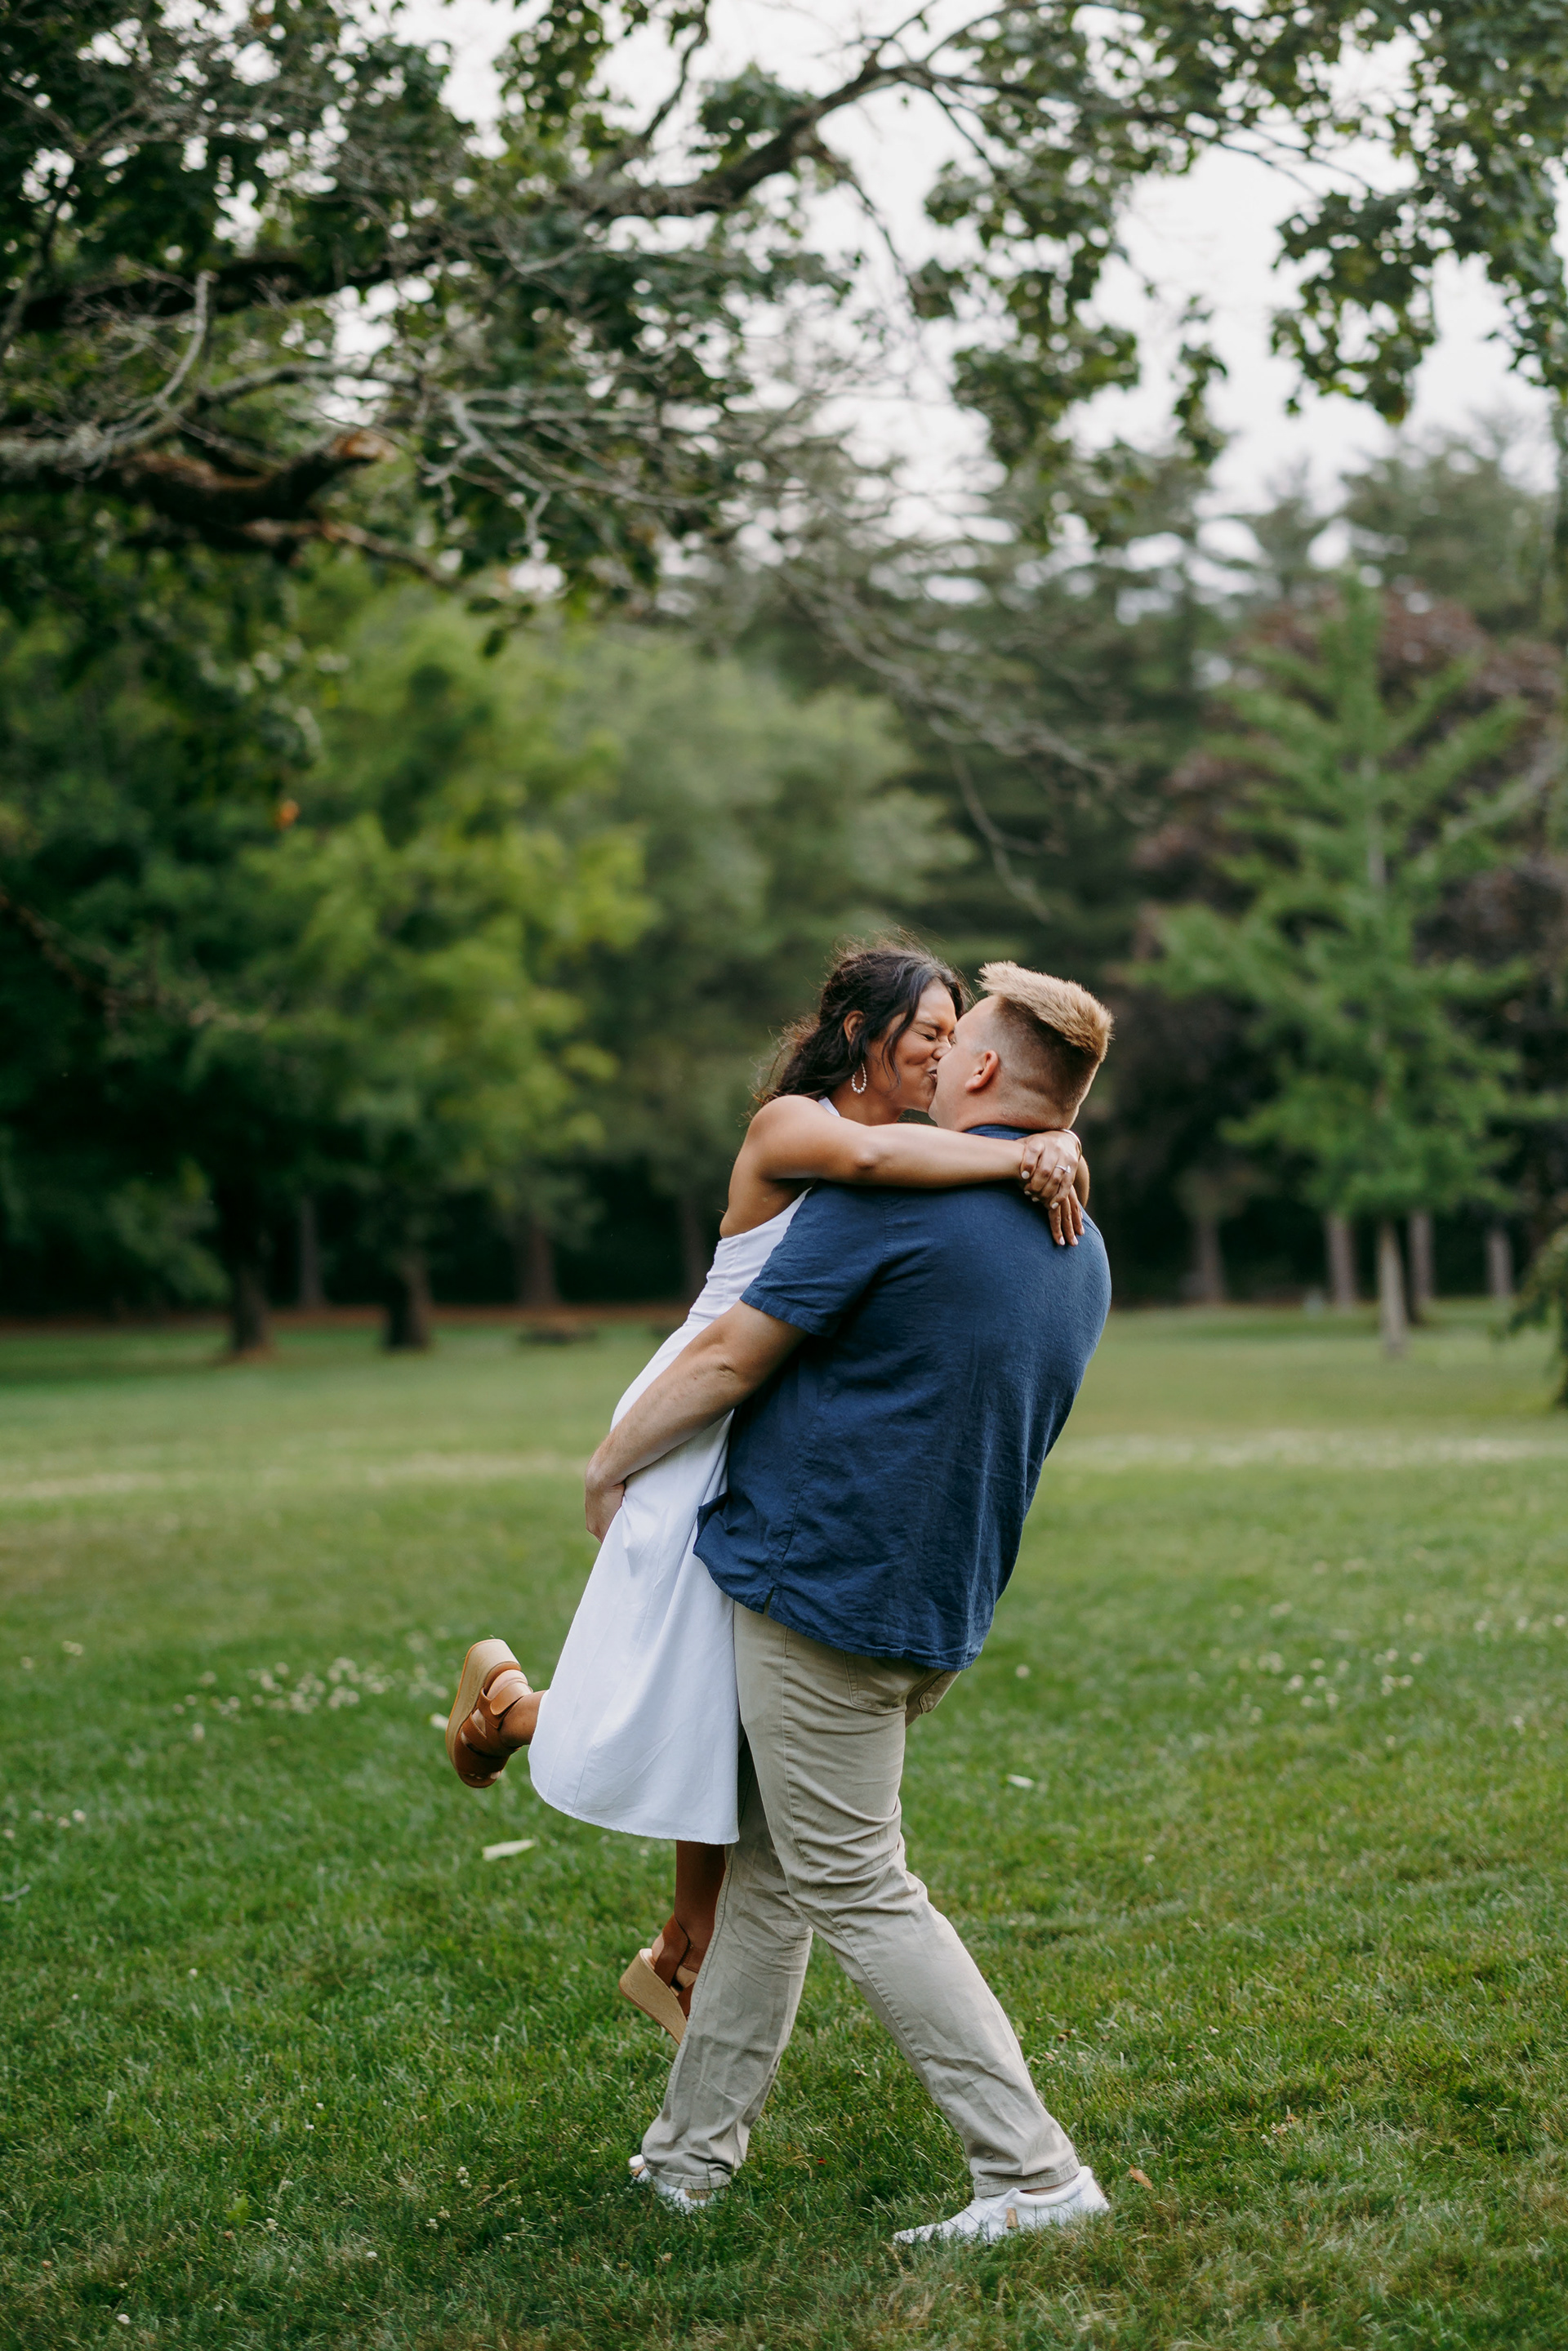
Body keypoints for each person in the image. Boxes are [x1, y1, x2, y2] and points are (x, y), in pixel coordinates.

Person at [443, 942, 1090, 2038]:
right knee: (686, 1700)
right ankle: (511, 1718)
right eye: (927, 1033)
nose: (944, 1053)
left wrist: (1051, 1141)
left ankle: (682, 1947)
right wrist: (1027, 1156)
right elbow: (885, 1176)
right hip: (697, 1414)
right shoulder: (795, 1128)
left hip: (769, 1424)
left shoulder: (899, 1142)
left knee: (717, 1704)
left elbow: (915, 1170)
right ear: (859, 1036)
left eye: (952, 1034)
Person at [581, 960, 1115, 2244]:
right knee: (776, 1872)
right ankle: (688, 2158)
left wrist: (609, 1464)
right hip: (931, 1611)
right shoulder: (1079, 1244)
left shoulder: (882, 1207)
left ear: (985, 1071)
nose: (936, 1063)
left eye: (955, 1043)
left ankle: (1034, 2174)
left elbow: (724, 1356)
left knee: (856, 1880)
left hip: (820, 1598)